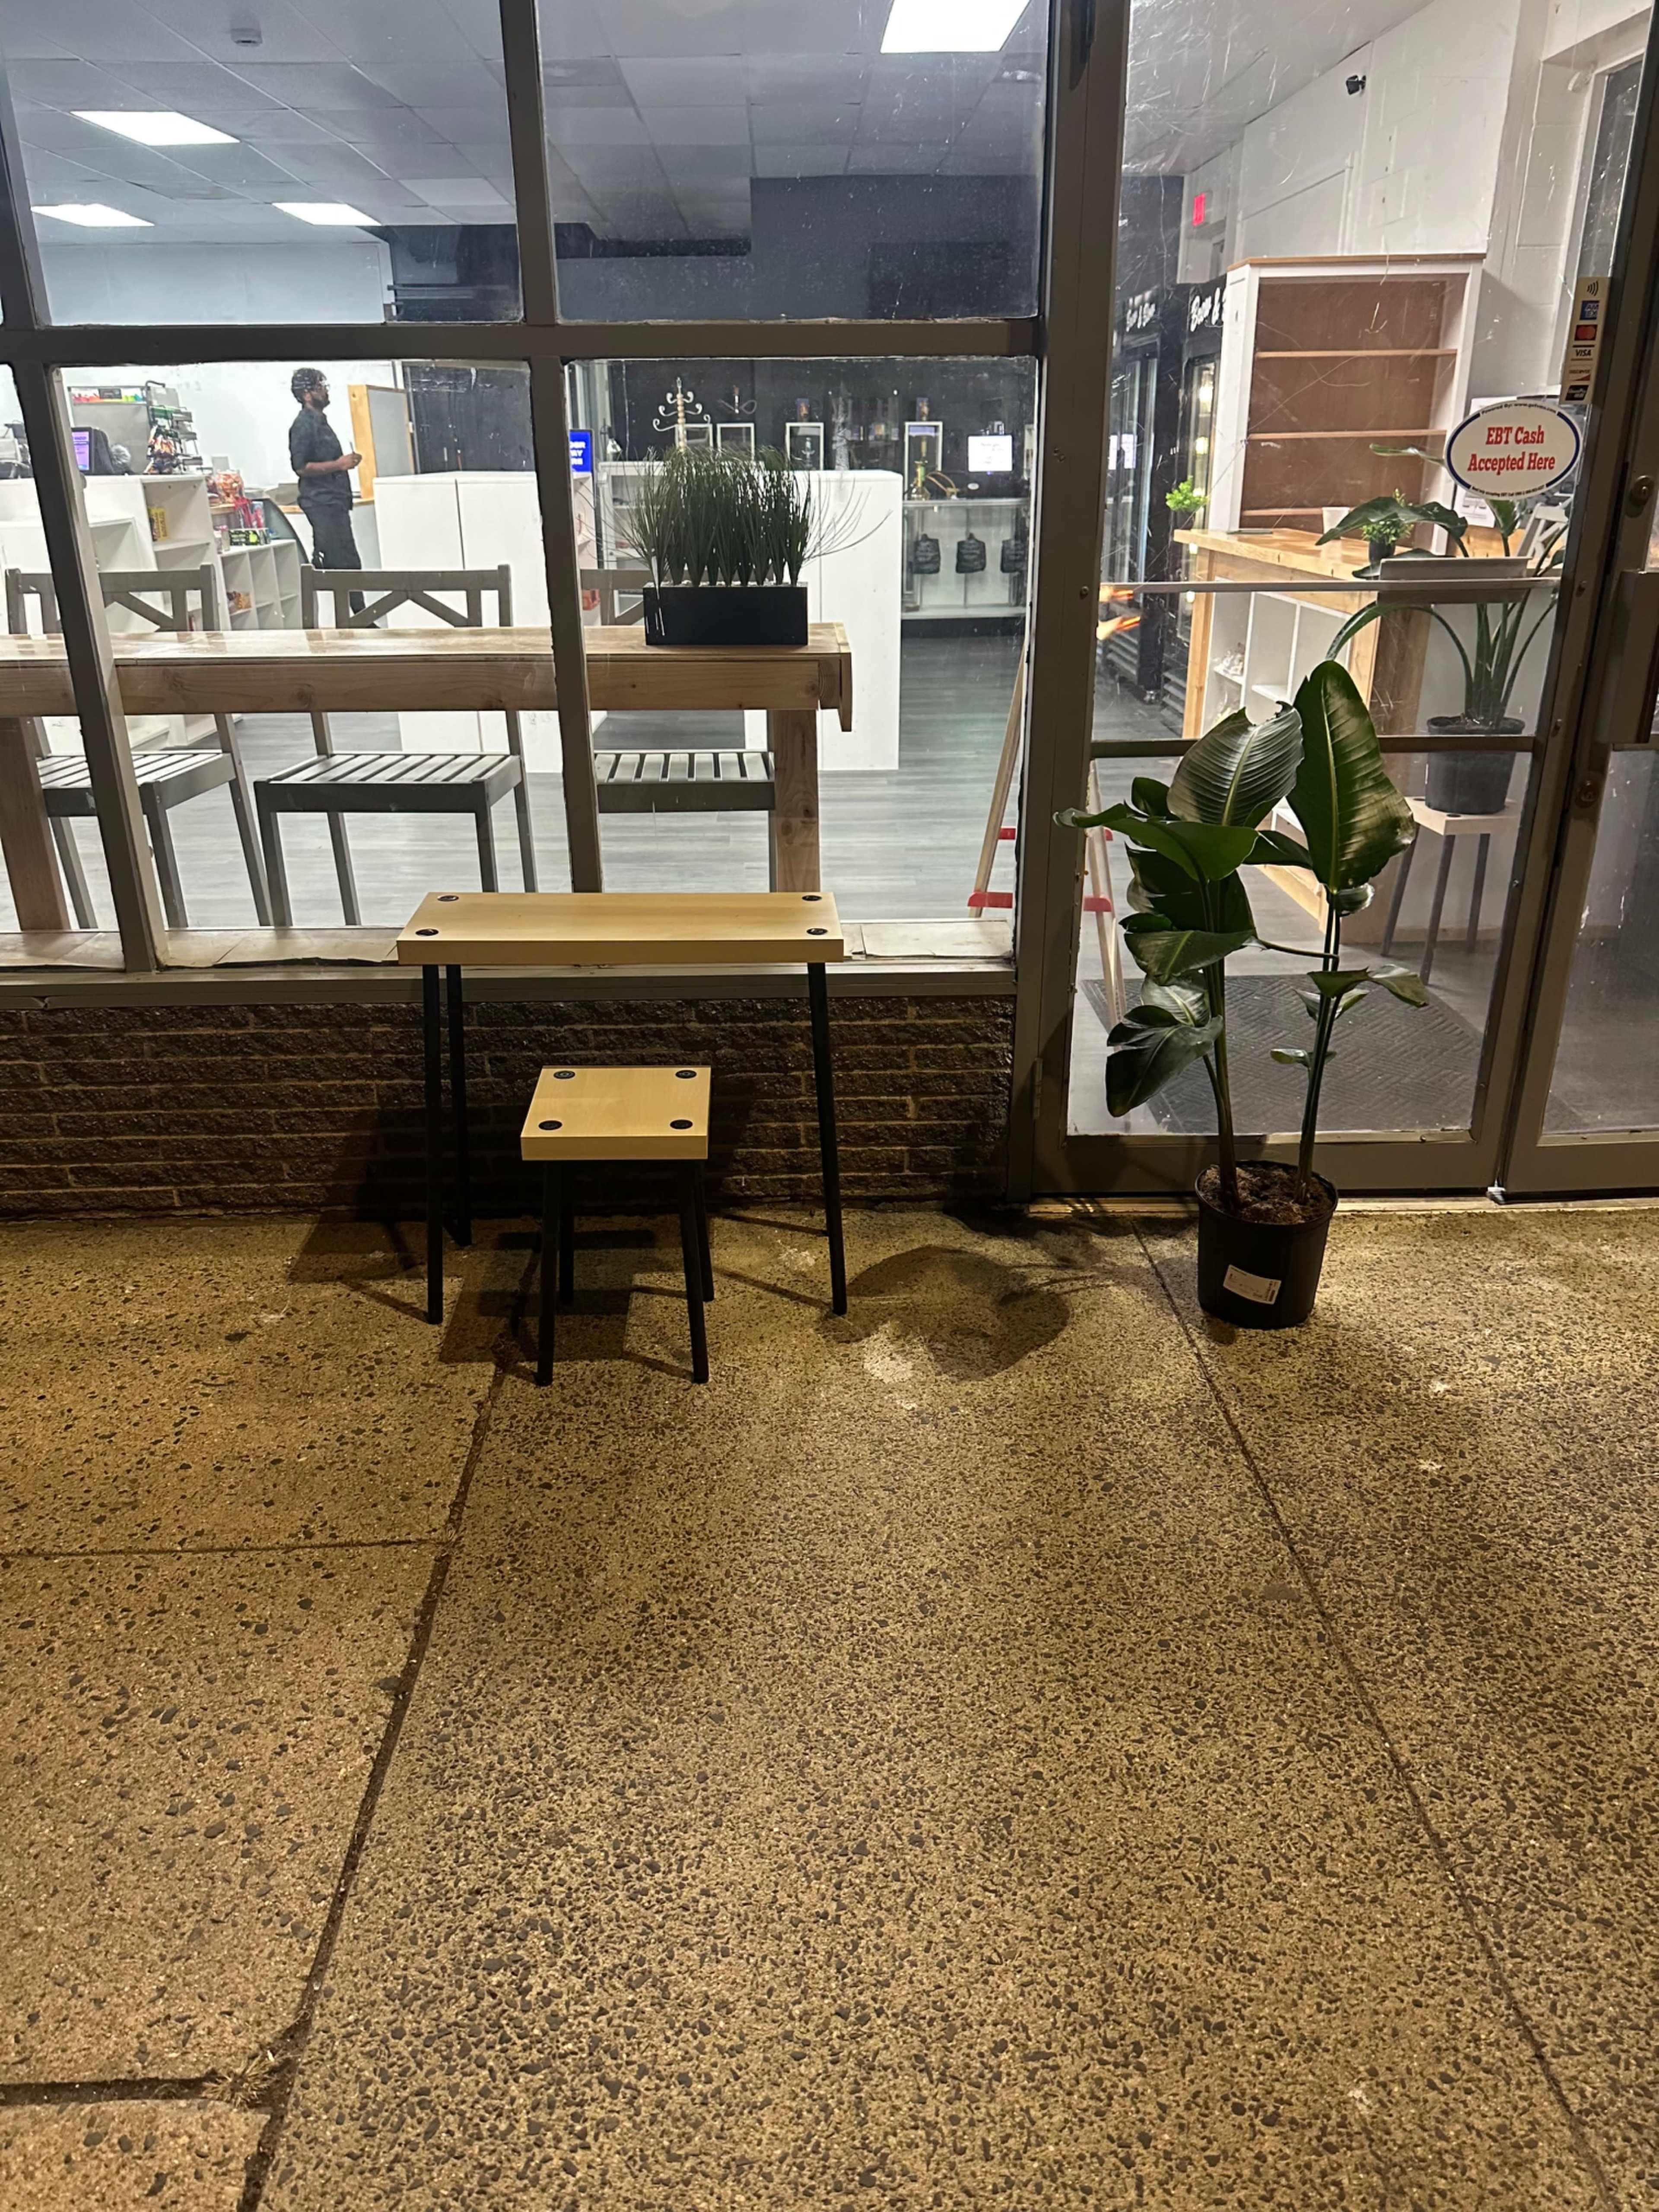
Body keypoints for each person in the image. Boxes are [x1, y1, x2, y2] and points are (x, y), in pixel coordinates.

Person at [288, 369, 363, 606]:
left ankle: (359, 616)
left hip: (334, 501)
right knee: (342, 565)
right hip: (321, 502)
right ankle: (355, 618)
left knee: (350, 564)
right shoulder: (303, 425)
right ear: (307, 394)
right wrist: (339, 465)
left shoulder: (321, 422)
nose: (325, 391)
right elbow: (301, 467)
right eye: (320, 387)